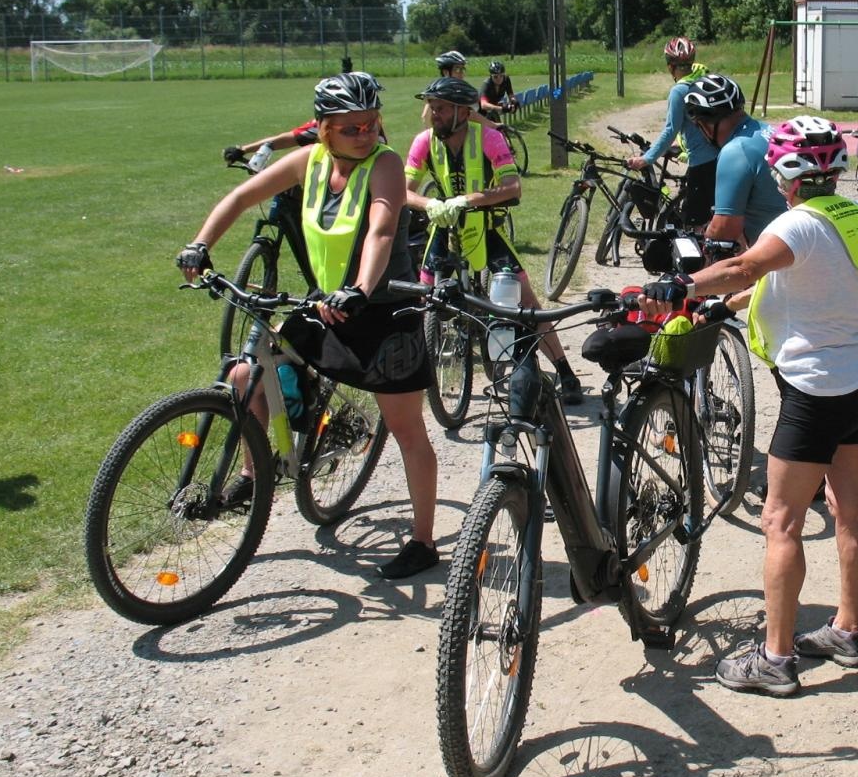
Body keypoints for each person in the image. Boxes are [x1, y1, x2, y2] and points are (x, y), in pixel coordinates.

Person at [639, 117, 858, 696]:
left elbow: (746, 265)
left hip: (814, 393)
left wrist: (684, 287)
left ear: (785, 172)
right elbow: (791, 280)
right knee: (849, 506)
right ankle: (846, 630)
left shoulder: (796, 223)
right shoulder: (853, 216)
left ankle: (775, 659)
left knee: (781, 522)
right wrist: (729, 306)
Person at [177, 72, 441, 580]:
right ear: (323, 128)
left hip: (384, 310)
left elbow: (382, 229)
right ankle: (260, 470)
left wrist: (362, 288)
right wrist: (201, 243)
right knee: (244, 375)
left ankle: (423, 540)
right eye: (351, 128)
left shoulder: (385, 165)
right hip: (329, 305)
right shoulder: (309, 161)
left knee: (407, 430)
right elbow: (239, 198)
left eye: (370, 124)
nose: (366, 135)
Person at [405, 76, 584, 401]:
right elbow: (404, 191)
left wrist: (469, 200)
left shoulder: (489, 138)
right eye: (431, 108)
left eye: (441, 109)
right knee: (424, 299)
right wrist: (430, 204)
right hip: (444, 227)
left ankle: (564, 371)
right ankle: (421, 372)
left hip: (485, 228)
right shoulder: (424, 142)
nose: (433, 115)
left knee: (526, 301)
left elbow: (513, 188)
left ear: (462, 111)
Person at [683, 73, 788, 249]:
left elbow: (724, 229)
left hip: (775, 261)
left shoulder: (736, 150)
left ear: (707, 124)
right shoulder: (767, 130)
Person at [625, 37, 717, 228]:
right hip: (720, 157)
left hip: (701, 162)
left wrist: (647, 159)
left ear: (670, 66)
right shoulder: (704, 83)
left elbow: (670, 130)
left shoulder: (679, 91)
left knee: (695, 225)